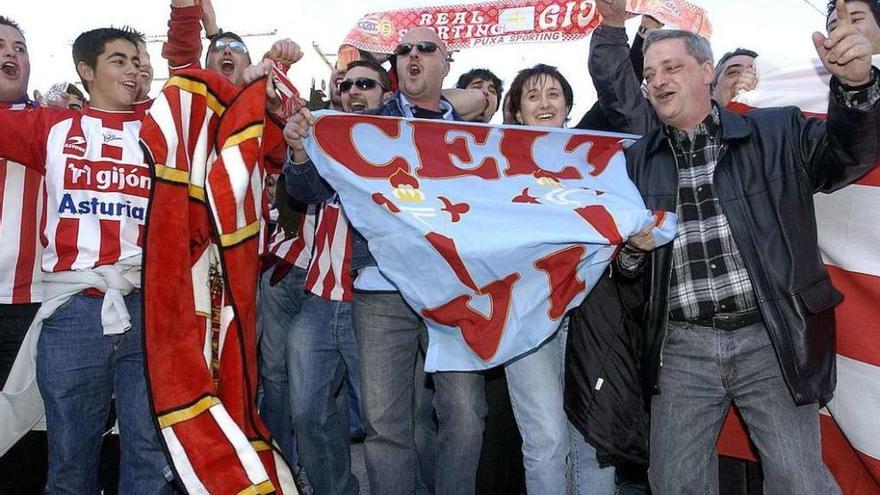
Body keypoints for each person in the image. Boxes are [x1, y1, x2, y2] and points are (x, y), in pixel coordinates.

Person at [591, 0, 879, 492]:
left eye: (673, 68)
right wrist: (634, 251)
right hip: (680, 348)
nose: (658, 80)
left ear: (707, 71)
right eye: (650, 73)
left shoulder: (778, 131)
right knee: (674, 482)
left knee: (799, 481)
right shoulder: (635, 164)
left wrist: (855, 87)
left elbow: (849, 156)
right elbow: (624, 272)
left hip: (771, 336)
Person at [283, 27, 487, 495]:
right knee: (385, 425)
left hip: (453, 291)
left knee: (466, 416)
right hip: (380, 292)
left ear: (446, 61)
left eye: (425, 48)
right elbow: (309, 190)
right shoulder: (365, 123)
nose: (412, 55)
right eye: (403, 50)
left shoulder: (473, 136)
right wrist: (299, 151)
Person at [0, 27, 175, 493]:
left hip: (148, 308)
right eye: (118, 61)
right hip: (74, 310)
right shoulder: (50, 127)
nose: (133, 69)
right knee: (71, 458)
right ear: (86, 70)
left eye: (137, 61)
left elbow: (193, 78)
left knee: (149, 452)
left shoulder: (160, 128)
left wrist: (185, 14)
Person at [505, 63, 616, 495]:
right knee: (546, 441)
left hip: (589, 316)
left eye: (553, 94)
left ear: (569, 107)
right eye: (532, 96)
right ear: (516, 111)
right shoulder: (492, 168)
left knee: (592, 438)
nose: (545, 103)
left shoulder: (595, 160)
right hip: (527, 317)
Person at [0, 15, 49, 494]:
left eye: (19, 45)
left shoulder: (50, 126)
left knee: (24, 438)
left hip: (26, 304)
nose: (10, 53)